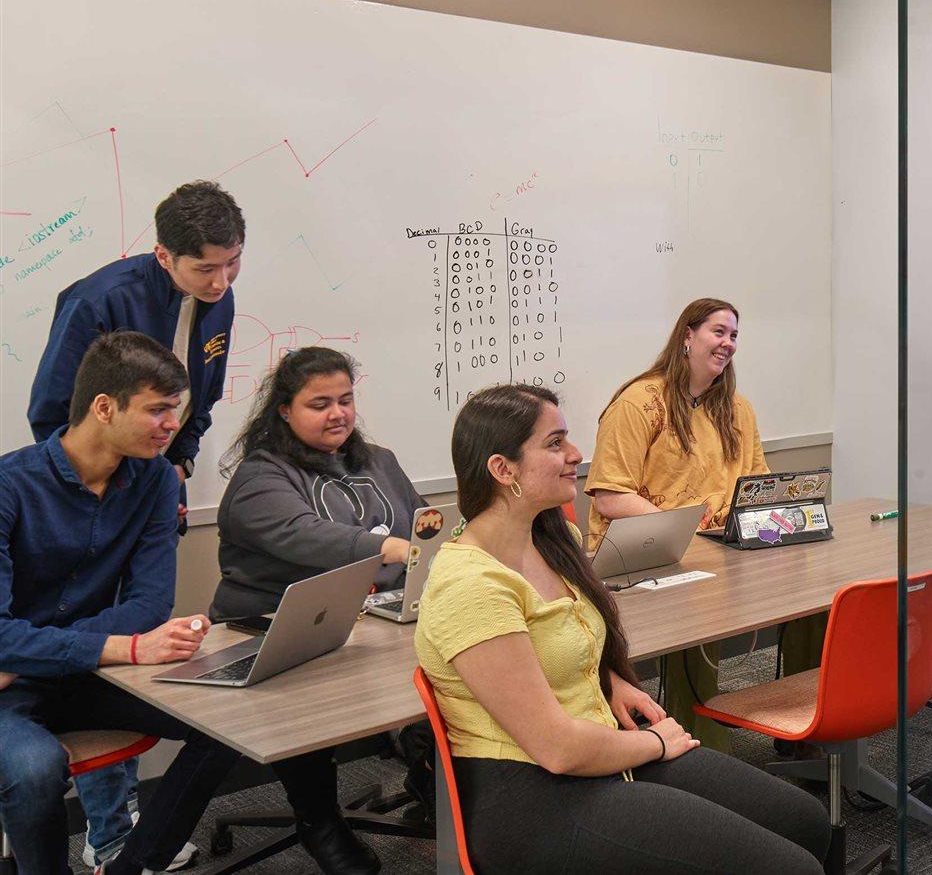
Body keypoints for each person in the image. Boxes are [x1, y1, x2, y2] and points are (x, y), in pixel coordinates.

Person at [415, 384, 830, 873]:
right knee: (791, 868)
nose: (576, 454)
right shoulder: (470, 586)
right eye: (555, 443)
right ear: (503, 470)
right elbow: (558, 748)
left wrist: (608, 681)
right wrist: (656, 743)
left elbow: (560, 640)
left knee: (807, 821)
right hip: (536, 795)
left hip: (600, 749)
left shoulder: (555, 540)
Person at [25, 180, 242, 867]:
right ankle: (110, 826)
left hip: (151, 485)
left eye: (233, 263)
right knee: (98, 633)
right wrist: (115, 486)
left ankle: (119, 838)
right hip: (90, 494)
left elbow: (196, 404)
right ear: (162, 255)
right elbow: (57, 410)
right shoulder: (101, 299)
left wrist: (174, 463)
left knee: (137, 635)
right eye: (206, 266)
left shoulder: (220, 298)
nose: (222, 280)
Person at [210, 346, 423, 874]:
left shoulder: (379, 460)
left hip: (370, 621)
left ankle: (427, 772)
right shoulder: (261, 477)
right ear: (284, 409)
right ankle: (318, 821)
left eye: (346, 400)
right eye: (320, 403)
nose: (339, 414)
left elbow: (421, 525)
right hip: (270, 630)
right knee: (300, 699)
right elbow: (307, 536)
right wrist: (390, 550)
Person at [584, 298, 825, 752]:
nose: (728, 343)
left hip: (721, 548)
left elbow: (757, 485)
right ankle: (705, 752)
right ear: (687, 336)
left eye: (734, 335)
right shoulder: (638, 404)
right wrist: (683, 531)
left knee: (815, 597)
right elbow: (611, 494)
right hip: (646, 556)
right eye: (718, 331)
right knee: (698, 619)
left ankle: (808, 730)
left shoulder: (736, 409)